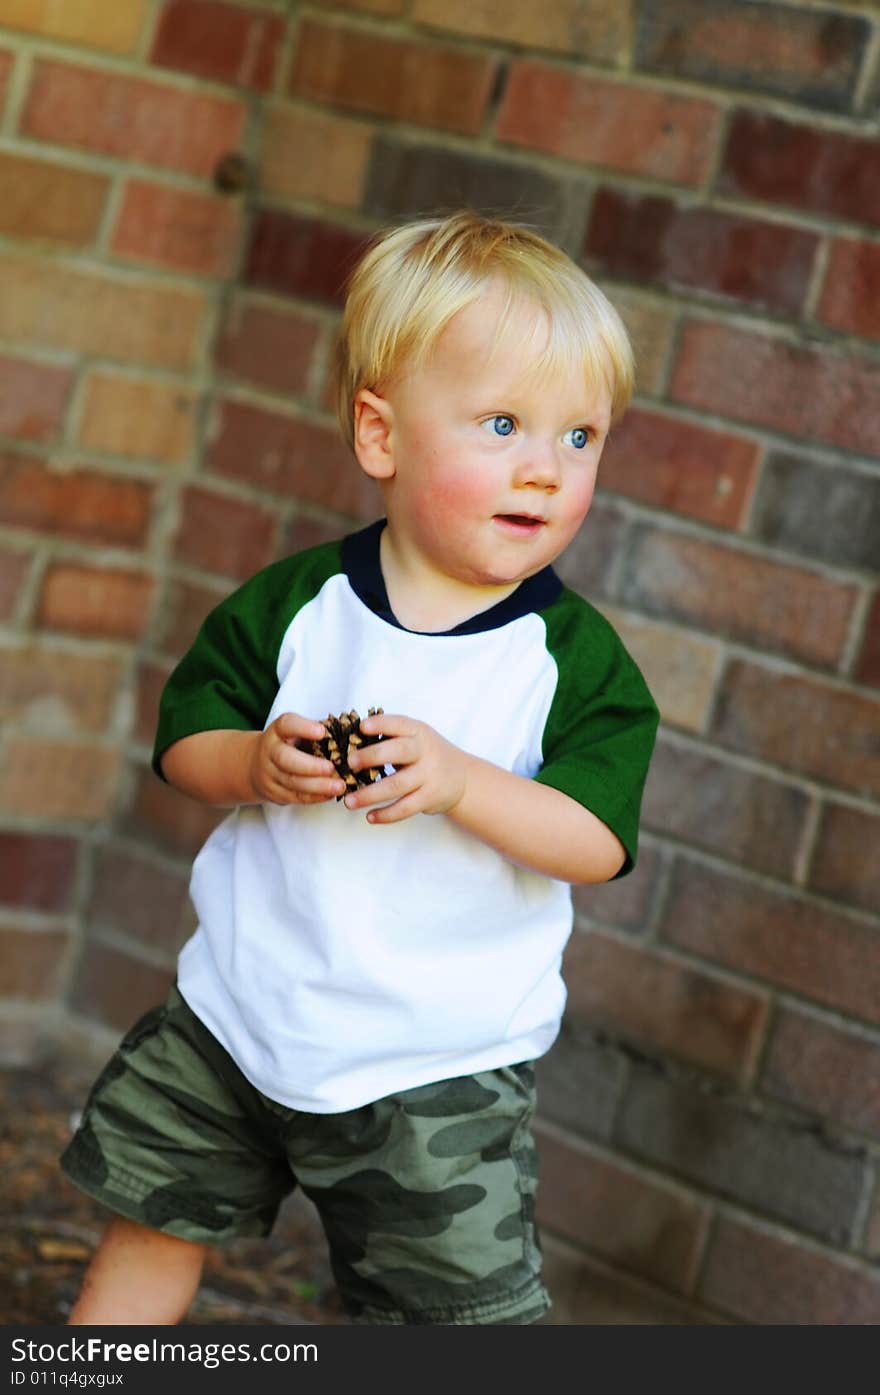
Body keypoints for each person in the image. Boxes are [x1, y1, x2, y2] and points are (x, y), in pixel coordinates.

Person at [60, 211, 659, 1326]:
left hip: (433, 1066)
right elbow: (186, 741)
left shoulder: (570, 664)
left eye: (580, 437)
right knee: (150, 1230)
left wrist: (466, 783)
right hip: (237, 1016)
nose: (545, 468)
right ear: (380, 436)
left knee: (456, 1319)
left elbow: (597, 840)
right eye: (502, 423)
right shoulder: (299, 607)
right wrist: (256, 763)